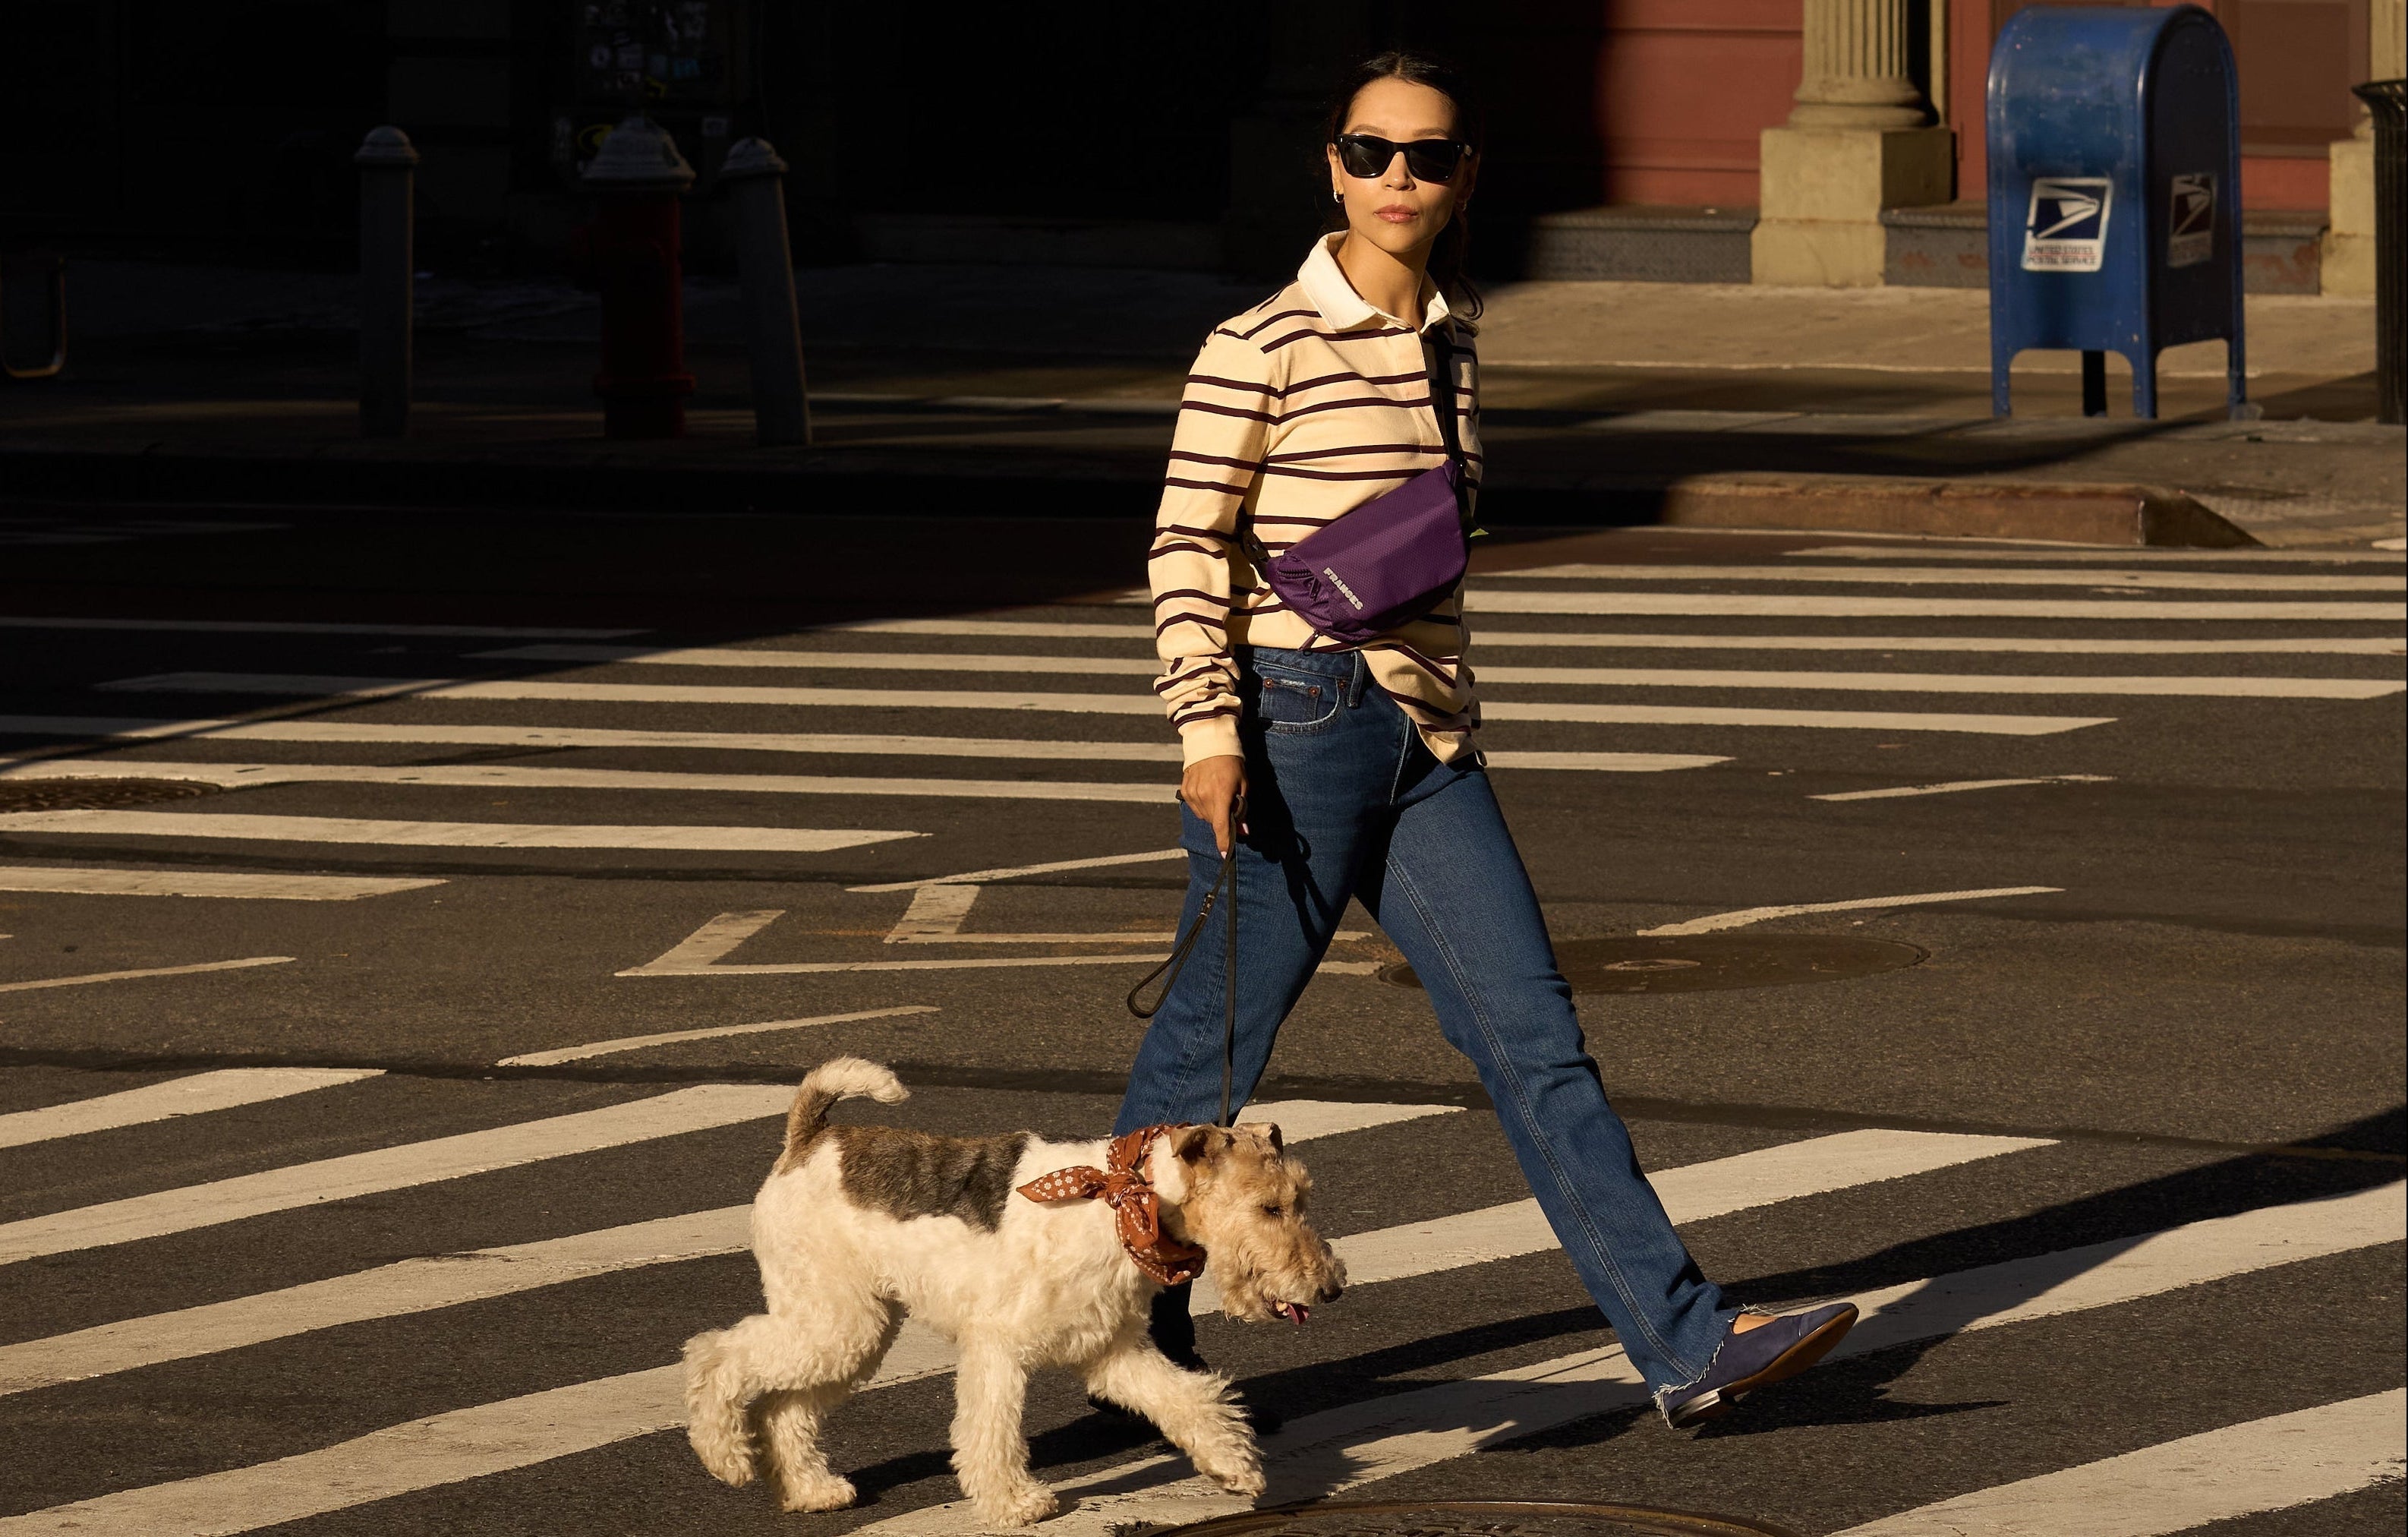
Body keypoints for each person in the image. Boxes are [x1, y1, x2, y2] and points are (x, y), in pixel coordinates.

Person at [1115, 50, 1857, 1430]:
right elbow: (1183, 545)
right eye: (1372, 152)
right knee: (1202, 1073)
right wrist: (1207, 730)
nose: (1400, 178)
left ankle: (1687, 1346)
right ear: (1331, 167)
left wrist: (1441, 702)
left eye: (1431, 156)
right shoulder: (1261, 342)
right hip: (1296, 725)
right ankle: (1123, 1350)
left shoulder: (1456, 336)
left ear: (1466, 182)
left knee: (1537, 1045)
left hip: (1426, 741)